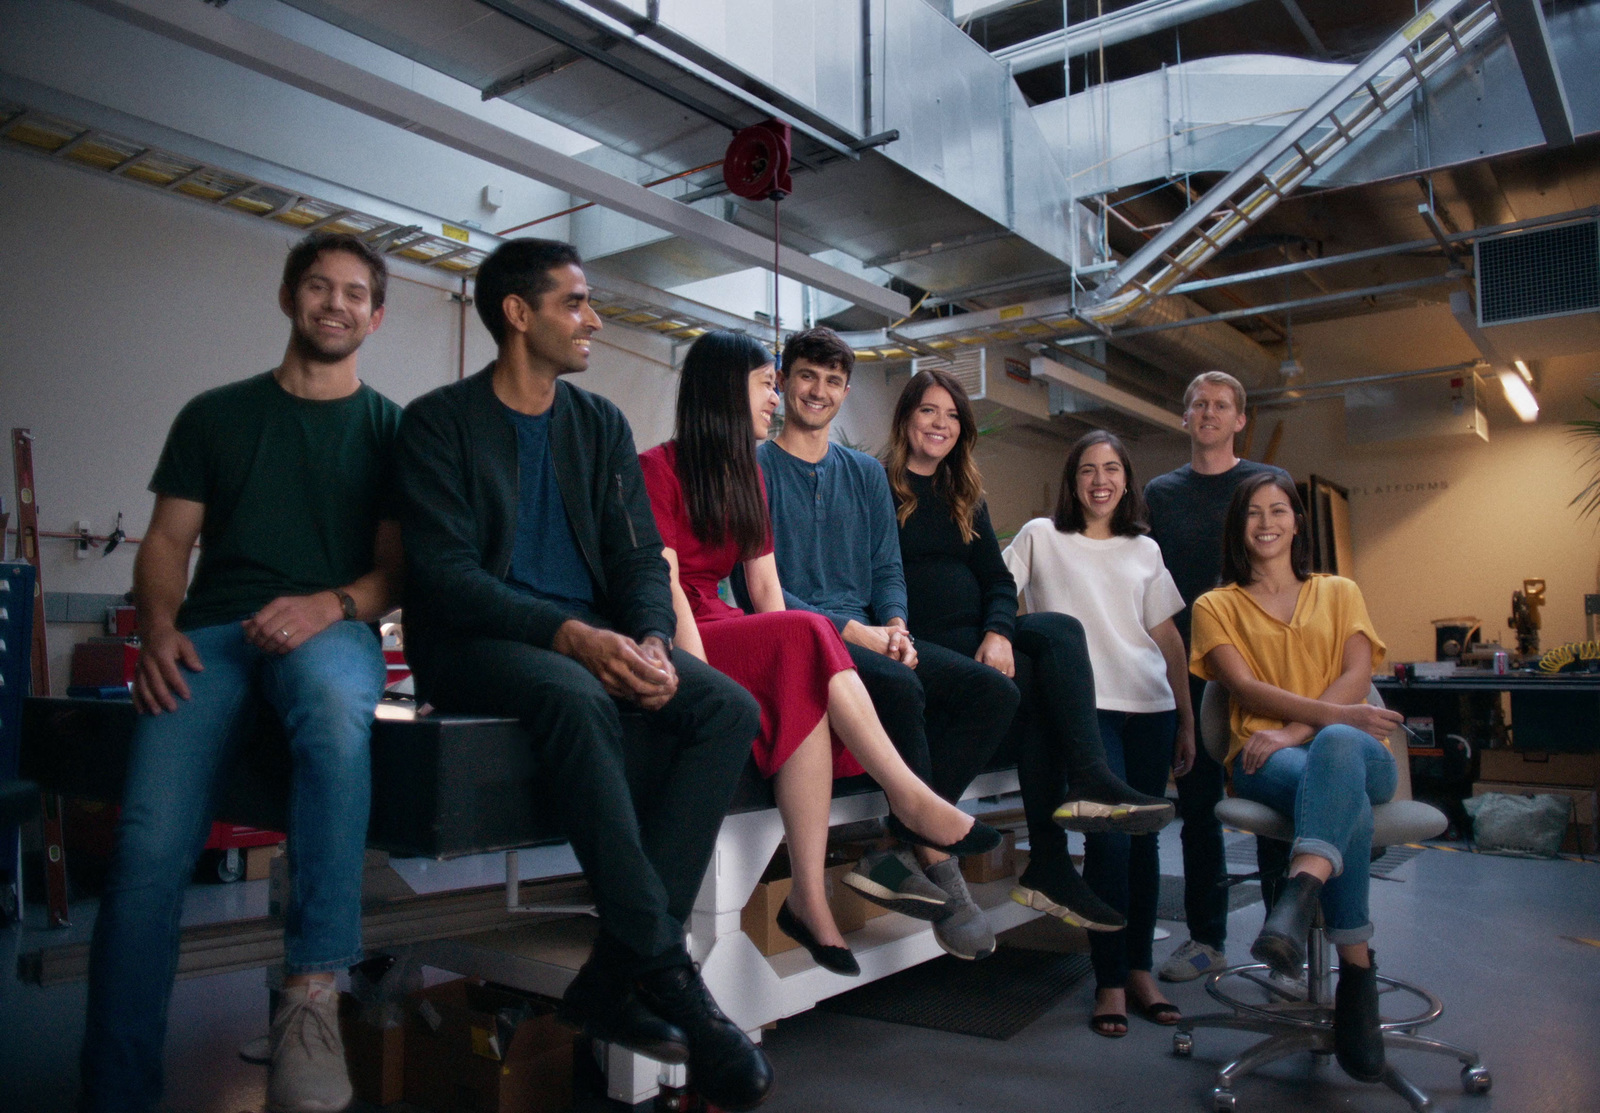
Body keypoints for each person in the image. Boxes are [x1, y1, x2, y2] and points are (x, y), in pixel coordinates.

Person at [395, 240, 771, 1111]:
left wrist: (645, 636)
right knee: (573, 697)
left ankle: (612, 973)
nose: (594, 318)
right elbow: (447, 577)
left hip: (592, 634)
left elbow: (643, 556)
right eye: (576, 302)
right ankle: (666, 972)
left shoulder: (598, 423)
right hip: (477, 642)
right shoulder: (437, 423)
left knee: (726, 707)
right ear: (518, 314)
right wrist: (568, 636)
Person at [81, 232, 403, 1113]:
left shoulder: (391, 431)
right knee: (147, 846)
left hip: (330, 628)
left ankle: (310, 997)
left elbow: (391, 573)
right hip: (210, 636)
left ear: (375, 317)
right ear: (290, 297)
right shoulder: (214, 415)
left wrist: (327, 606)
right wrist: (155, 627)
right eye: (318, 286)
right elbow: (165, 543)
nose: (334, 304)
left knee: (336, 712)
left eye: (353, 293)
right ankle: (114, 1091)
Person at [640, 330, 1002, 978]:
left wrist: (808, 647)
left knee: (804, 654)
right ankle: (912, 801)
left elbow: (766, 588)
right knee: (808, 635)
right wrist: (697, 680)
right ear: (726, 389)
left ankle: (808, 896)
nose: (776, 397)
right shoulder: (657, 467)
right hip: (689, 628)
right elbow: (666, 588)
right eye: (767, 384)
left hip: (735, 621)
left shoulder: (743, 474)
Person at [744, 326, 1018, 961]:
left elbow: (886, 570)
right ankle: (938, 864)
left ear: (845, 391)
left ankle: (911, 826)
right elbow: (761, 585)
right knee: (900, 684)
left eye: (833, 381)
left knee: (990, 691)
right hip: (802, 633)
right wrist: (859, 632)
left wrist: (894, 625)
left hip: (872, 631)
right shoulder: (755, 467)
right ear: (783, 383)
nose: (819, 391)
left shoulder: (865, 473)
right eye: (807, 376)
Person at [887, 368, 1175, 934]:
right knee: (1034, 685)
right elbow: (878, 576)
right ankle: (1033, 857)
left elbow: (998, 582)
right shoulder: (878, 486)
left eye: (951, 415)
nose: (940, 424)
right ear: (906, 419)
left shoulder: (964, 494)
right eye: (928, 411)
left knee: (1061, 631)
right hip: (920, 642)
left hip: (975, 637)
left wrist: (998, 632)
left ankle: (1079, 801)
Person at [1191, 472, 1402, 1083]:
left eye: (1279, 510)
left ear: (1296, 521)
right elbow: (1246, 688)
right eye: (1253, 513)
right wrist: (1304, 731)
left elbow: (1357, 674)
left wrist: (1294, 730)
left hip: (1340, 753)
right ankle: (1356, 972)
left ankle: (1296, 898)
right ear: (1239, 526)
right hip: (1263, 762)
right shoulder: (1216, 605)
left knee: (1338, 745)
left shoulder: (1340, 591)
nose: (1266, 523)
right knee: (1343, 799)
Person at [1003, 431, 1195, 1038]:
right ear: (1073, 480)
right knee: (1108, 844)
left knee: (1144, 846)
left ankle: (1140, 970)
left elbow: (1165, 639)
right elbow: (998, 600)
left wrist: (1187, 717)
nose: (1100, 480)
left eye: (1111, 469)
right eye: (1088, 470)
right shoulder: (1040, 535)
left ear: (1126, 479)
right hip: (1084, 713)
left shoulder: (1145, 548)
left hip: (1151, 709)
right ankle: (1108, 979)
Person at [1144, 370, 1294, 984]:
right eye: (1198, 403)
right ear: (1185, 418)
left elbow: (1292, 574)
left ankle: (1285, 946)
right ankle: (1206, 938)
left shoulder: (1265, 485)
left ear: (1240, 420)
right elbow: (1146, 582)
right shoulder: (1159, 492)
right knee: (1199, 806)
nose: (1208, 412)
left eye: (1221, 405)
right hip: (1189, 669)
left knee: (1272, 795)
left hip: (1261, 666)